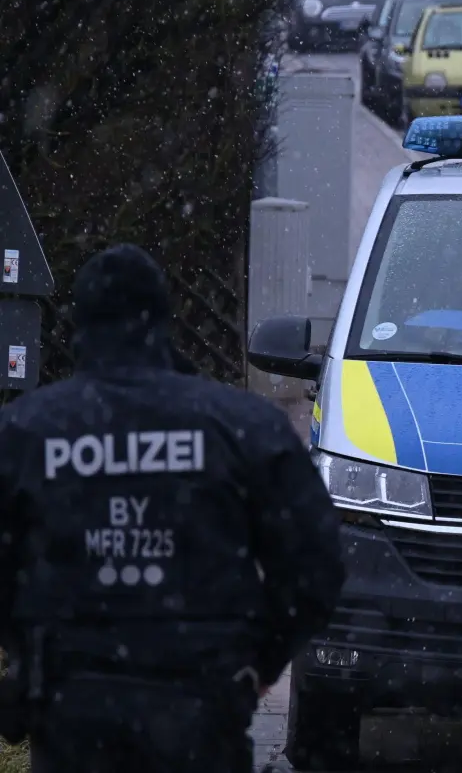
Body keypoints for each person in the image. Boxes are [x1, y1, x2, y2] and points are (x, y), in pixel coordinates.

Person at [0, 245, 345, 773]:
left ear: (79, 326)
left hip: (73, 713)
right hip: (201, 707)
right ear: (162, 322)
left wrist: (32, 657)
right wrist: (258, 662)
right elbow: (316, 563)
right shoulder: (240, 426)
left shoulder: (27, 433)